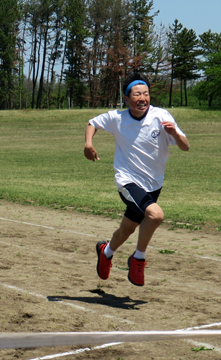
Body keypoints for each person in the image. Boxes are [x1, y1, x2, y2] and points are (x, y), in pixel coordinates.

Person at [85, 72, 190, 287]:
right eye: (137, 94)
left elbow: (185, 146)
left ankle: (106, 252)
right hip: (128, 181)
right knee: (155, 215)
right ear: (126, 98)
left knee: (127, 228)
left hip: (154, 185)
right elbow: (92, 122)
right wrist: (88, 144)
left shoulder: (162, 116)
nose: (142, 98)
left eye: (146, 94)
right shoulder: (118, 118)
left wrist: (176, 134)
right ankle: (138, 258)